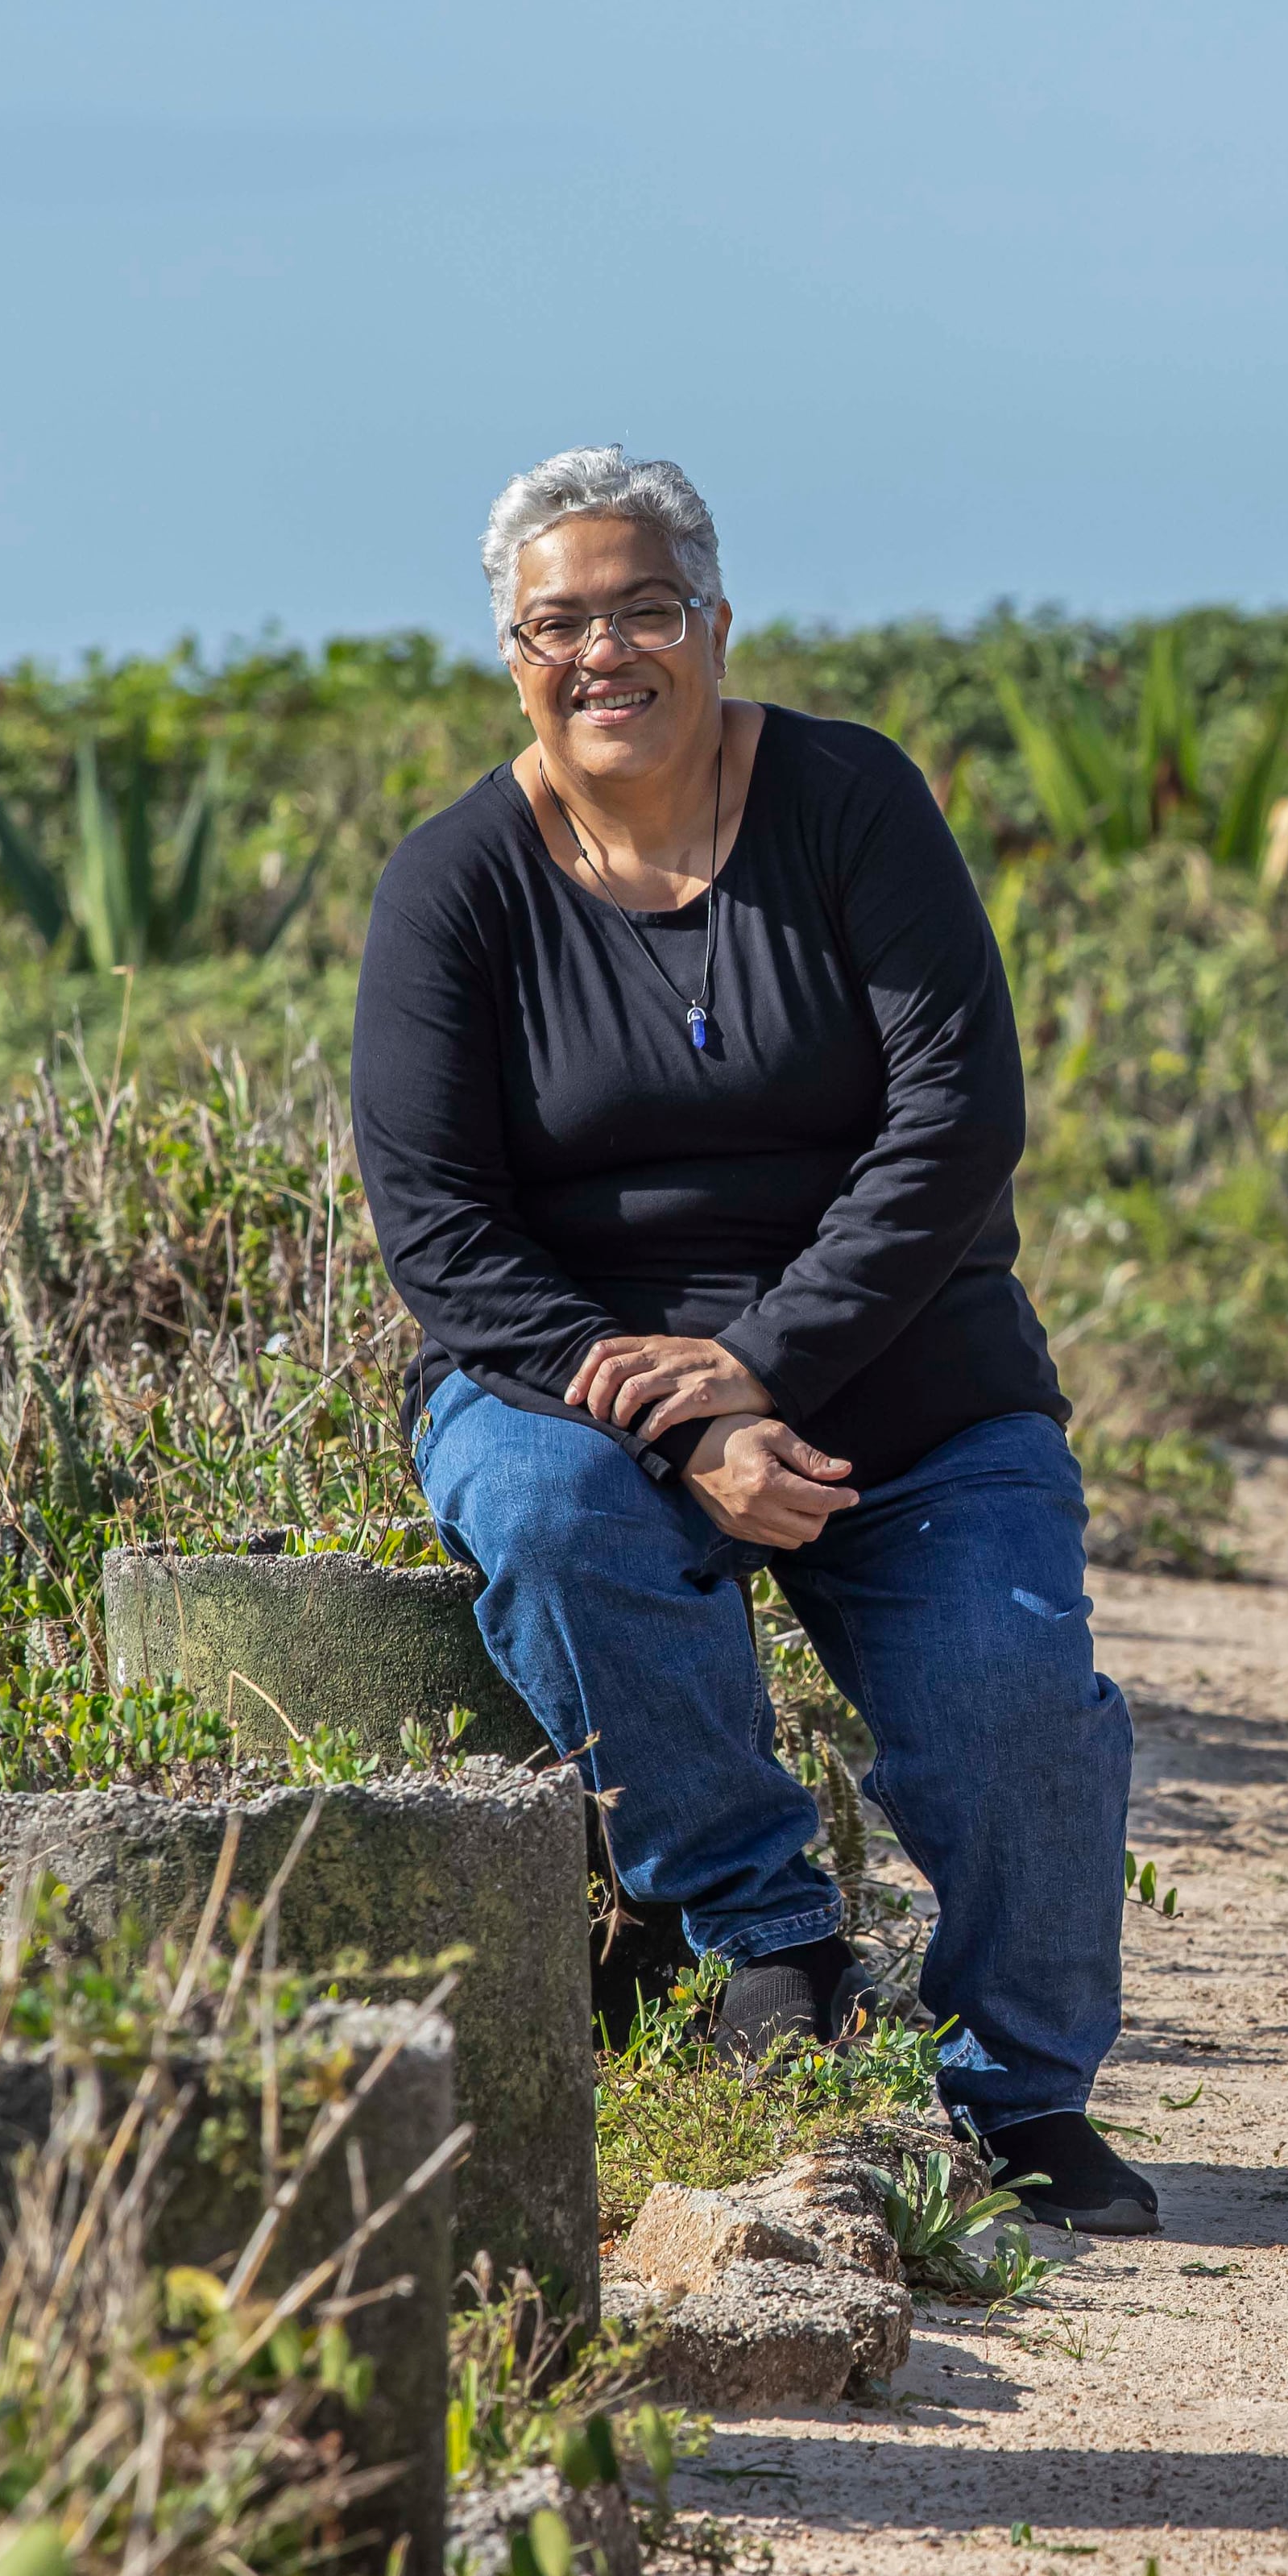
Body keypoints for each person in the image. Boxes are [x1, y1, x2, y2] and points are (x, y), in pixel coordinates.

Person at [352, 444, 1153, 2234]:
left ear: (715, 621)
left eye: (642, 609)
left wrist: (768, 1362)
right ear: (511, 655)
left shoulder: (851, 799)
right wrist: (684, 1421)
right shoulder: (453, 884)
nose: (603, 652)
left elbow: (956, 1118)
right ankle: (772, 1937)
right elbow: (438, 1225)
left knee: (1016, 1697)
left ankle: (1017, 2088)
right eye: (557, 623)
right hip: (577, 1384)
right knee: (549, 1520)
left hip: (908, 1378)